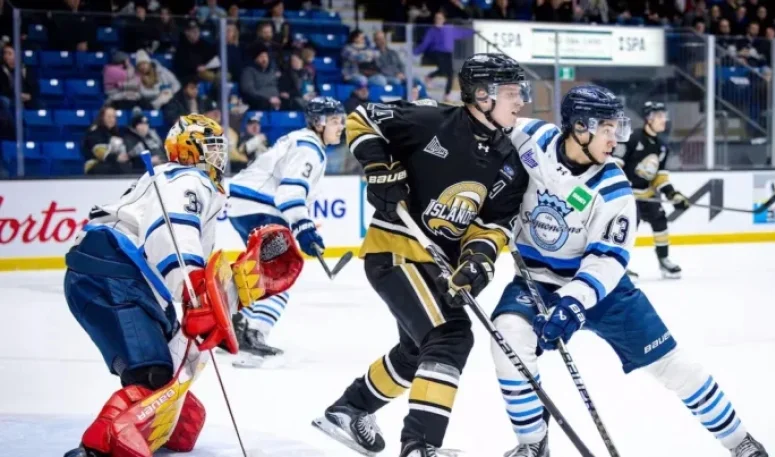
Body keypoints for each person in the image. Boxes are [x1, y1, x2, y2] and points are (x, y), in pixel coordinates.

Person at [491, 85, 769, 457]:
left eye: (616, 128)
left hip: (602, 291)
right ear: (579, 127)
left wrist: (574, 301)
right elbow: (476, 125)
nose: (615, 139)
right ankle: (532, 444)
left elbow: (607, 260)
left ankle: (742, 442)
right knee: (506, 337)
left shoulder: (614, 188)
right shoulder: (532, 136)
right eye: (606, 129)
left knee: (671, 364)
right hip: (536, 280)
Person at [311, 53, 531, 457]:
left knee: (417, 351)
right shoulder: (432, 121)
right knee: (450, 336)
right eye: (513, 93)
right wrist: (378, 165)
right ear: (483, 95)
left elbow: (493, 225)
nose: (521, 102)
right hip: (395, 252)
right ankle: (420, 445)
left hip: (437, 265)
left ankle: (349, 409)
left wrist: (478, 261)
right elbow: (364, 116)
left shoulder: (508, 161)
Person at [62, 114, 298, 457]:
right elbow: (170, 228)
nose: (219, 157)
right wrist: (192, 289)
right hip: (111, 272)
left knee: (171, 372)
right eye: (212, 148)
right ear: (191, 150)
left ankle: (155, 424)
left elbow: (194, 264)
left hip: (126, 278)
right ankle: (96, 450)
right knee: (153, 372)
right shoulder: (188, 179)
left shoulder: (185, 182)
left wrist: (218, 292)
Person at [226, 97, 346, 365]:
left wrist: (302, 223)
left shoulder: (303, 141)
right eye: (336, 121)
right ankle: (252, 334)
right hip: (259, 206)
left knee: (259, 272)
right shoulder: (309, 148)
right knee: (279, 273)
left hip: (247, 205)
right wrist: (303, 229)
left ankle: (236, 323)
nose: (341, 127)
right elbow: (290, 192)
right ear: (319, 122)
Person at [612, 101, 686, 279]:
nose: (664, 120)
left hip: (647, 196)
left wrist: (672, 194)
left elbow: (660, 177)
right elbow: (615, 166)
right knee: (627, 230)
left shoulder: (662, 147)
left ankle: (664, 260)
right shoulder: (631, 139)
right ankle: (618, 267)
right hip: (628, 197)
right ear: (649, 119)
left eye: (664, 116)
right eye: (660, 116)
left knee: (660, 221)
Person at [413, 10, 474, 100]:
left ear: (444, 19)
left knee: (450, 73)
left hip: (448, 54)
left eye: (440, 18)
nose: (438, 20)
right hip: (436, 53)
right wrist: (415, 52)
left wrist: (474, 31)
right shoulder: (432, 30)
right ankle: (430, 77)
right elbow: (425, 43)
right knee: (445, 69)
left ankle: (446, 94)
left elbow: (461, 33)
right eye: (436, 18)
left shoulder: (449, 29)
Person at [83, 106, 130, 175]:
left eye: (114, 117)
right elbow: (99, 151)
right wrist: (117, 157)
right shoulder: (95, 132)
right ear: (102, 118)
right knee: (118, 168)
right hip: (94, 166)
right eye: (109, 117)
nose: (112, 120)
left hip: (111, 164)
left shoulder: (114, 133)